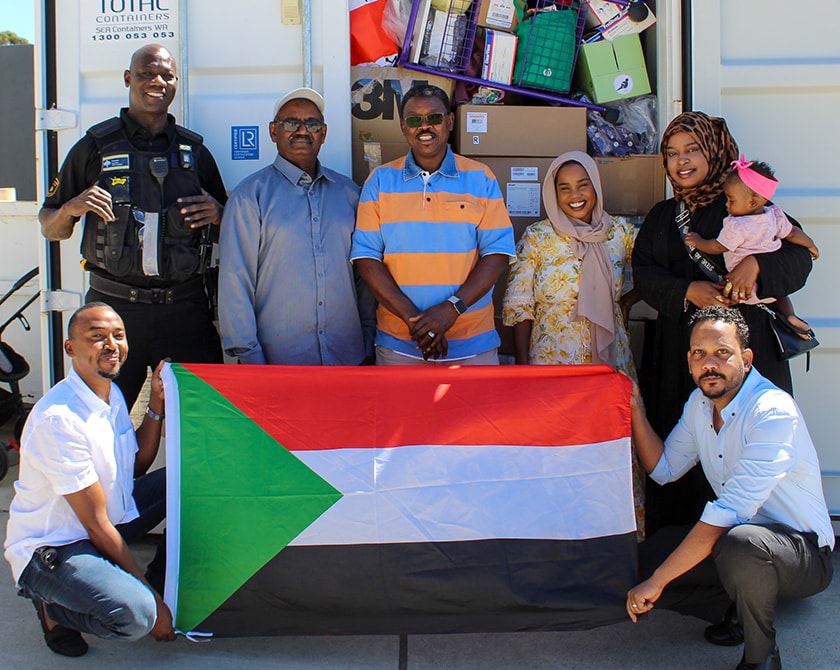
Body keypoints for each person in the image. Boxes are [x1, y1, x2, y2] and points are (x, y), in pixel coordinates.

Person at [631, 111, 813, 530]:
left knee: (748, 445)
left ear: (714, 152)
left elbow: (799, 256)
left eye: (693, 149)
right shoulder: (663, 216)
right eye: (672, 153)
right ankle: (683, 548)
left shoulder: (748, 202)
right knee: (685, 445)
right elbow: (643, 272)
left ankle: (757, 548)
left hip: (751, 354)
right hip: (682, 354)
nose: (683, 161)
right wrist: (688, 291)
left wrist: (756, 265)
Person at [625, 306, 833, 670]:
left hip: (803, 555)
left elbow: (730, 510)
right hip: (742, 544)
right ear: (689, 361)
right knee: (646, 559)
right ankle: (739, 601)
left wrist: (658, 584)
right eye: (699, 354)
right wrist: (635, 410)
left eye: (723, 352)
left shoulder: (772, 410)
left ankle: (761, 655)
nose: (710, 364)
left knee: (741, 545)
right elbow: (664, 469)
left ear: (746, 358)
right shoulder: (699, 405)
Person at [39, 44, 226, 410]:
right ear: (128, 78)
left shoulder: (195, 153)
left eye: (166, 75)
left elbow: (229, 231)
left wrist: (220, 214)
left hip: (185, 309)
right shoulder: (95, 147)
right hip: (114, 310)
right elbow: (51, 227)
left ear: (175, 83)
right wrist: (72, 207)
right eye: (146, 74)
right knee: (100, 414)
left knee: (203, 415)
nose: (156, 82)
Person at [4, 303, 175, 657]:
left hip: (101, 524)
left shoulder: (110, 394)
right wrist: (155, 605)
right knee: (135, 616)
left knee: (186, 486)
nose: (111, 344)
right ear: (71, 348)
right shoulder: (60, 418)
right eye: (97, 337)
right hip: (56, 546)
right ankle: (53, 608)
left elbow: (136, 467)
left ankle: (158, 582)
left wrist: (156, 404)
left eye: (118, 335)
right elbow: (96, 524)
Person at [350, 84, 515, 365]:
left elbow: (497, 254)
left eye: (434, 118)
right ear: (403, 127)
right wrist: (417, 321)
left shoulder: (480, 177)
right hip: (399, 346)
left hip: (473, 343)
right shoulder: (379, 181)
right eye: (414, 120)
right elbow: (366, 258)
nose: (424, 126)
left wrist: (451, 310)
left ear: (450, 121)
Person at [218, 88, 375, 365]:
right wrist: (251, 358)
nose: (302, 131)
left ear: (323, 134)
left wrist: (366, 343)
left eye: (312, 124)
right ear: (272, 131)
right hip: (277, 363)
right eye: (291, 123)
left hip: (347, 359)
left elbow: (364, 278)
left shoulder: (350, 194)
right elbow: (235, 282)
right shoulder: (250, 197)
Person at [503, 151, 638, 373]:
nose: (575, 195)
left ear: (595, 186)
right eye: (564, 188)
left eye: (583, 185)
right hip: (551, 362)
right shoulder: (537, 236)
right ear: (554, 194)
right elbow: (519, 307)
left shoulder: (618, 232)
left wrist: (628, 301)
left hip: (610, 360)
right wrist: (522, 369)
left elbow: (657, 267)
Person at [685, 155, 818, 333]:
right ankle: (790, 316)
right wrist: (811, 245)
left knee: (727, 295)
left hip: (743, 286)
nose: (726, 204)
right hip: (766, 281)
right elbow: (793, 233)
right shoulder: (774, 215)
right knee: (779, 296)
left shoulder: (736, 225)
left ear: (753, 201)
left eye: (731, 200)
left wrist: (698, 241)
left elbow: (718, 246)